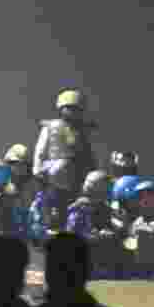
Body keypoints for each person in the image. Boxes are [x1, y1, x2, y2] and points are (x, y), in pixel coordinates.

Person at [30, 89, 99, 237]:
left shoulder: (82, 131)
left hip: (76, 177)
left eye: (76, 109)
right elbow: (40, 150)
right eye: (69, 108)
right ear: (61, 109)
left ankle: (74, 230)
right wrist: (37, 169)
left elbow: (89, 155)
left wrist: (92, 174)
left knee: (75, 206)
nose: (72, 112)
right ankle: (50, 228)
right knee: (53, 205)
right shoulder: (50, 127)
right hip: (54, 174)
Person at [65, 170, 125, 280]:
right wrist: (97, 235)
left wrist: (119, 227)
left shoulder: (104, 207)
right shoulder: (80, 208)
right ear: (96, 188)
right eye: (106, 187)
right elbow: (72, 234)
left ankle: (108, 269)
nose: (109, 190)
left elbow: (114, 224)